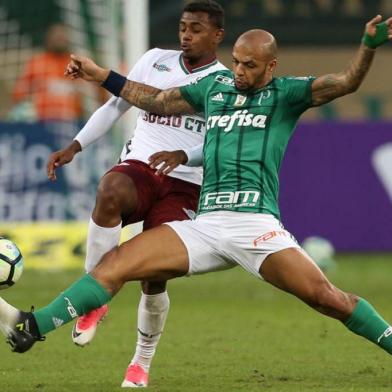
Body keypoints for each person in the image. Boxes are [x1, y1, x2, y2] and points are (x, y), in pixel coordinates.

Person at [1, 14, 392, 388]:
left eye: (250, 66)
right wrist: (102, 75)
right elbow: (155, 100)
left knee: (329, 299)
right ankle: (33, 327)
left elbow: (345, 82)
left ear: (270, 67)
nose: (239, 71)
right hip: (205, 226)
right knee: (116, 264)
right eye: (236, 62)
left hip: (255, 226)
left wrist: (367, 48)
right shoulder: (215, 89)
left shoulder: (285, 94)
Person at [45, 1, 226, 387]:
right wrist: (75, 145)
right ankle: (95, 297)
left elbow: (220, 146)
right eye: (182, 26)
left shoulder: (225, 82)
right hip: (141, 167)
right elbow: (116, 105)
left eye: (196, 28)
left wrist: (183, 154)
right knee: (110, 189)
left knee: (152, 278)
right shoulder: (155, 60)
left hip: (186, 183)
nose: (186, 35)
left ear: (217, 36)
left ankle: (140, 363)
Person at [12, 23, 84, 122]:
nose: (59, 40)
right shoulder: (37, 63)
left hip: (73, 120)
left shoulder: (78, 64)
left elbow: (93, 94)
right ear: (48, 40)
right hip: (41, 121)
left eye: (62, 37)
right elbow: (18, 93)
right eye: (56, 37)